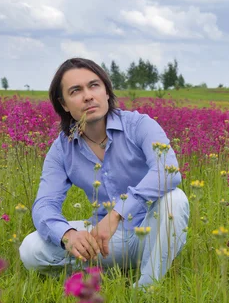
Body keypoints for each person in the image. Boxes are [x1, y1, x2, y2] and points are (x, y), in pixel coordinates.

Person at [19, 58, 189, 287]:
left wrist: (117, 214)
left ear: (107, 92)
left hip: (153, 233)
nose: (88, 95)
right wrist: (69, 236)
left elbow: (168, 172)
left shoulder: (139, 125)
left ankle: (147, 288)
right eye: (76, 90)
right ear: (65, 104)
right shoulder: (62, 147)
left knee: (174, 198)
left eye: (94, 85)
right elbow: (44, 204)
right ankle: (108, 274)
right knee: (31, 249)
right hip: (105, 241)